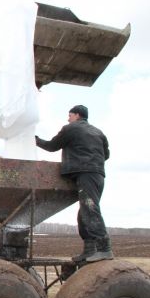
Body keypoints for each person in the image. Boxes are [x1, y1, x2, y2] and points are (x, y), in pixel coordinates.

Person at [36, 105, 113, 263]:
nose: (68, 118)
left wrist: (34, 140)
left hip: (86, 174)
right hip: (98, 175)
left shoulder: (71, 129)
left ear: (77, 115)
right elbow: (106, 154)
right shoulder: (98, 132)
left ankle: (104, 249)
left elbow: (52, 146)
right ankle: (89, 251)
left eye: (70, 115)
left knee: (90, 209)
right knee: (84, 212)